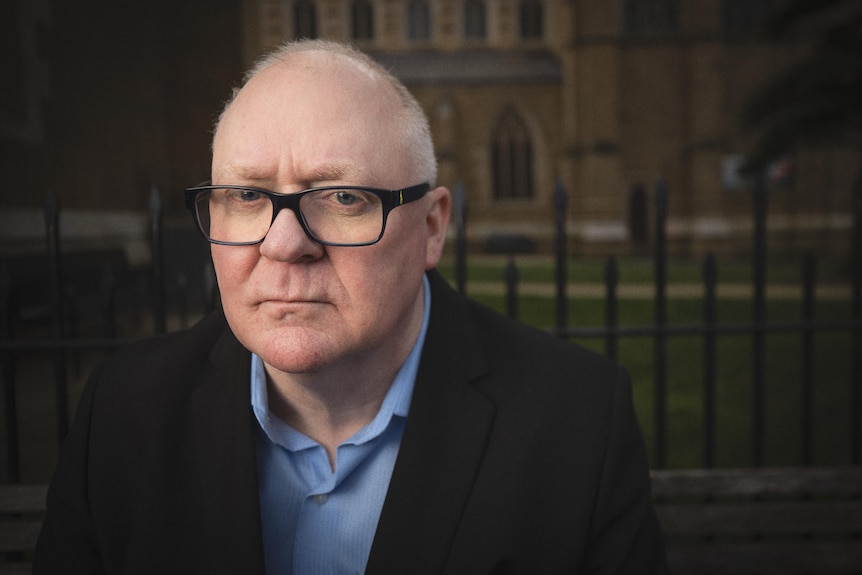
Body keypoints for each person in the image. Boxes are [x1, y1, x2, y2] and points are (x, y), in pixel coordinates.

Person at [34, 39, 668, 574]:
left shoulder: (577, 424)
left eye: (342, 198)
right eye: (248, 195)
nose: (284, 244)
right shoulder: (123, 411)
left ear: (432, 227)